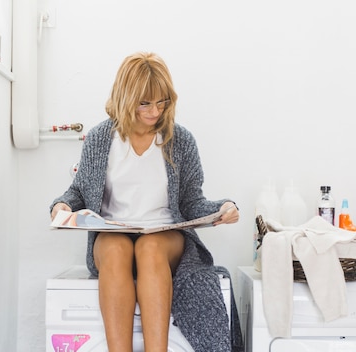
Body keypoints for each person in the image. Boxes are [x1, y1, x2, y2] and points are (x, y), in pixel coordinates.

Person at [50, 52, 240, 352]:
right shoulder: (100, 139)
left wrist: (223, 208)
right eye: (145, 103)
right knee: (117, 248)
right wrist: (61, 206)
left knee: (149, 247)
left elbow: (192, 201)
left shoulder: (180, 140)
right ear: (127, 98)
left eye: (162, 101)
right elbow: (79, 192)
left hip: (165, 238)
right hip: (112, 234)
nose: (155, 111)